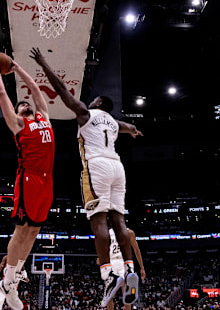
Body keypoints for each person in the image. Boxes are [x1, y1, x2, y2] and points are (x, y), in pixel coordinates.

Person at [30, 47, 143, 307]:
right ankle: (128, 268)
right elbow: (129, 127)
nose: (90, 102)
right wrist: (134, 131)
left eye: (94, 100)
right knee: (119, 220)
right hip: (118, 167)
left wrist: (44, 63)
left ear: (99, 103)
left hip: (97, 167)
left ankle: (108, 275)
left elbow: (62, 91)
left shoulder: (86, 113)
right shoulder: (114, 123)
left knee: (98, 220)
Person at [0, 53, 55, 310]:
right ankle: (8, 280)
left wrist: (16, 68)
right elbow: (3, 95)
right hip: (29, 179)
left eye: (27, 104)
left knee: (34, 231)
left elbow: (36, 89)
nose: (25, 104)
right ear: (17, 112)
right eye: (21, 105)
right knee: (22, 229)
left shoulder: (44, 118)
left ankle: (13, 280)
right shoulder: (17, 124)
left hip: (47, 181)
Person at [101, 227, 146, 310]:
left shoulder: (129, 233)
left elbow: (136, 250)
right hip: (112, 264)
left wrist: (142, 268)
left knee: (126, 293)